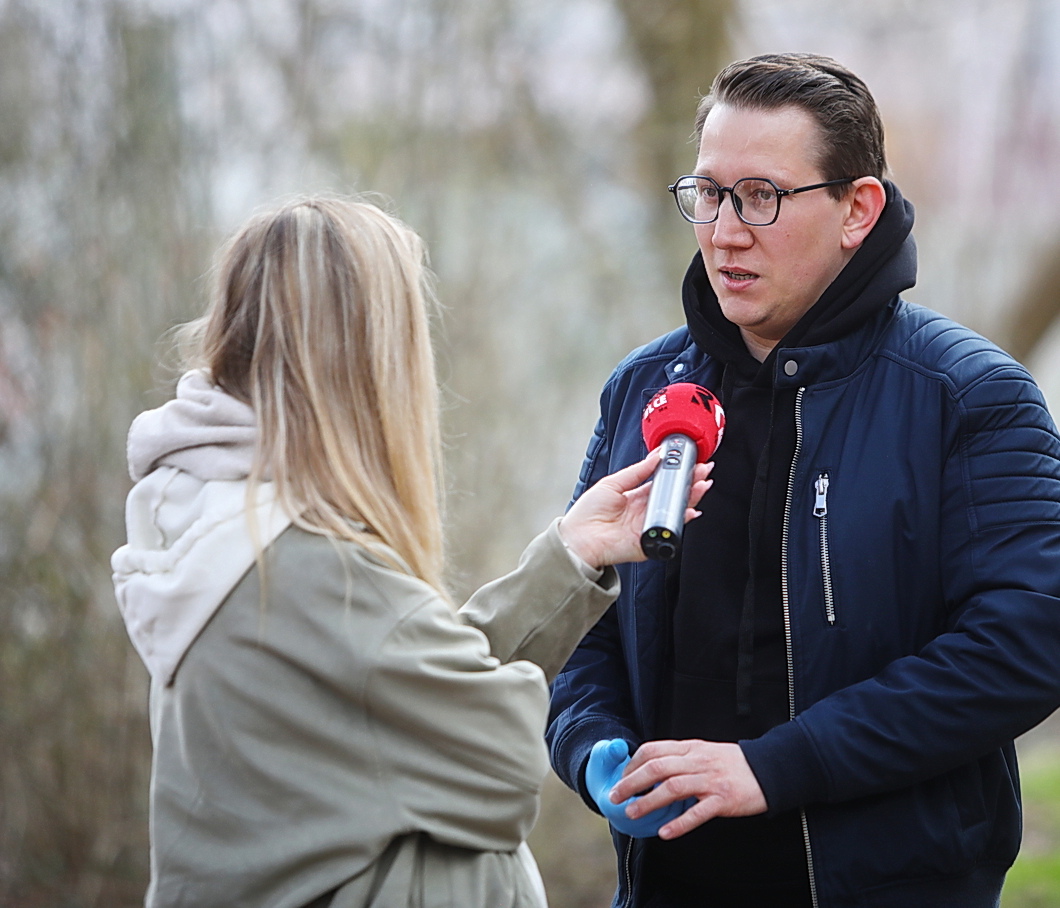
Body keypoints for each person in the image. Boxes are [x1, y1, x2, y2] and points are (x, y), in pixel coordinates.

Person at [546, 53, 1060, 907]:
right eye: (708, 193)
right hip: (667, 886)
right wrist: (593, 749)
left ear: (857, 210)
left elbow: (1023, 649)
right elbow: (582, 622)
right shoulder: (642, 390)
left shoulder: (968, 396)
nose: (726, 230)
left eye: (761, 196)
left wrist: (774, 768)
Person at [109, 197, 710, 908]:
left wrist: (570, 554)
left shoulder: (224, 524)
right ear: (365, 356)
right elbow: (492, 761)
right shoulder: (306, 568)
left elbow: (401, 684)